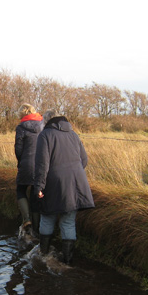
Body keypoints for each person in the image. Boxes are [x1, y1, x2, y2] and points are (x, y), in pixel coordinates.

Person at [34, 109, 94, 264]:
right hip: (76, 183)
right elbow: (84, 160)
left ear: (46, 121)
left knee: (47, 217)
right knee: (68, 221)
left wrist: (39, 186)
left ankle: (43, 255)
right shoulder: (73, 135)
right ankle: (67, 262)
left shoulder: (45, 135)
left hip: (53, 183)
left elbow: (42, 165)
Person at [14, 103, 43, 233]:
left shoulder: (21, 127)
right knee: (35, 194)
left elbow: (18, 149)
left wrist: (21, 162)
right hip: (41, 164)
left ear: (22, 114)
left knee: (20, 189)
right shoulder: (43, 125)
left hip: (26, 164)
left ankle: (27, 220)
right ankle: (36, 229)